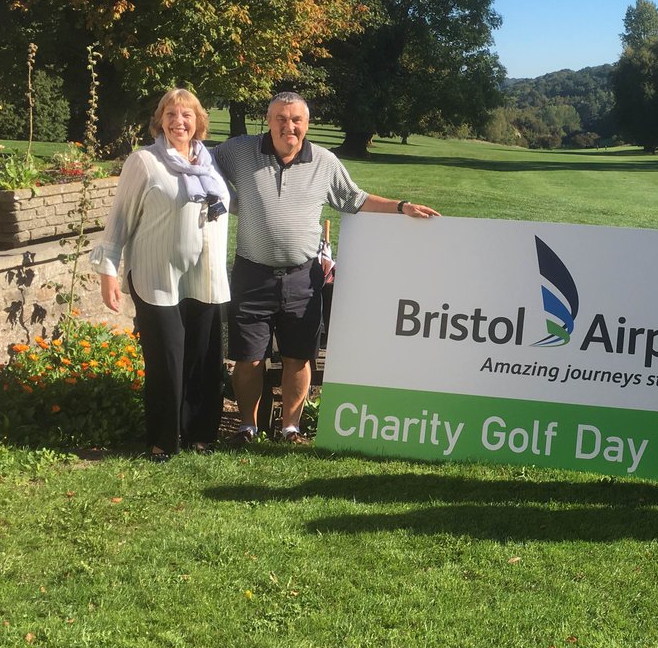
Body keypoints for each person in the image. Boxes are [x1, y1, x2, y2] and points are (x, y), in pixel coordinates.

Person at [215, 92, 439, 446]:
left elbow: (355, 199)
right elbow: (199, 163)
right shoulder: (238, 151)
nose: (289, 126)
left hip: (302, 277)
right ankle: (247, 427)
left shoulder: (324, 161)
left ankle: (291, 428)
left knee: (299, 357)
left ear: (306, 124)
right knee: (248, 359)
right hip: (251, 273)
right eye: (281, 119)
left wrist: (401, 206)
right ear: (268, 120)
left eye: (296, 120)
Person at [91, 88, 230, 461]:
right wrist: (108, 272)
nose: (178, 121)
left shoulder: (211, 162)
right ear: (160, 120)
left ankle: (200, 434)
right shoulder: (144, 162)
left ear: (199, 121)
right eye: (171, 114)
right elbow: (118, 220)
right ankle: (162, 441)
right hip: (157, 277)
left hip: (206, 275)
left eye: (186, 115)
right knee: (167, 361)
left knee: (204, 358)